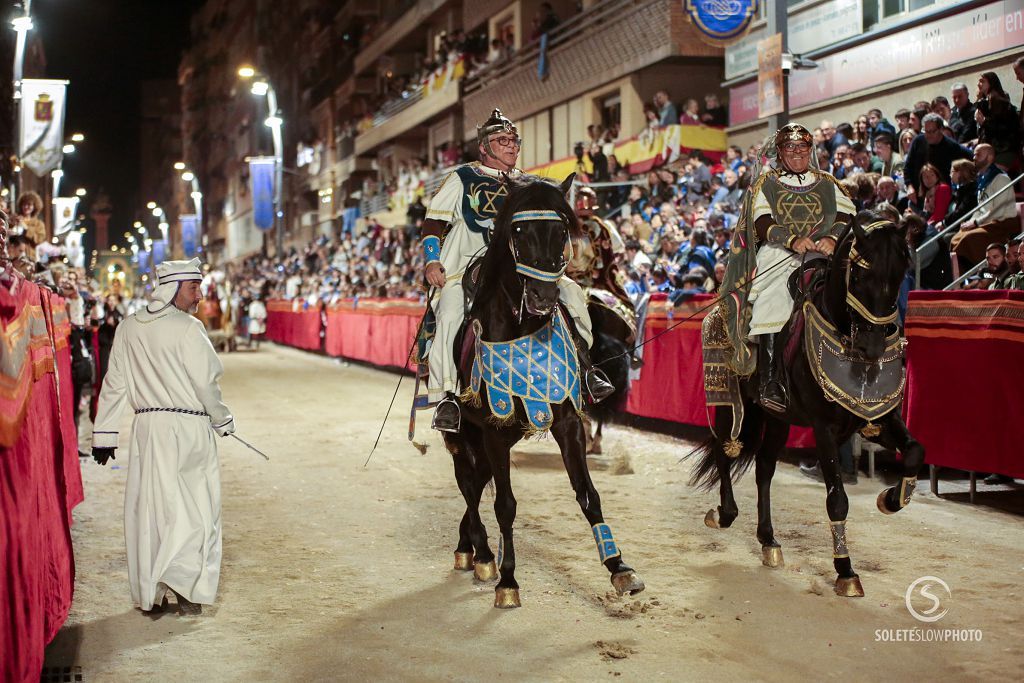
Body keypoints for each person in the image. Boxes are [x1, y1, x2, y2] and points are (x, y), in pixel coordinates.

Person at [420, 109, 612, 432]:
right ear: (484, 147)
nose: (511, 146)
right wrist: (431, 260)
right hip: (467, 264)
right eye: (502, 140)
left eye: (514, 141)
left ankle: (585, 368)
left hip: (520, 265)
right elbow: (433, 223)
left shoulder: (527, 183)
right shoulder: (461, 178)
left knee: (572, 292)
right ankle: (448, 397)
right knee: (451, 310)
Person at [91, 258, 235, 616]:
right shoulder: (189, 328)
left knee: (151, 509)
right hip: (188, 431)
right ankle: (186, 588)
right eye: (193, 288)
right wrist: (223, 419)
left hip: (147, 432)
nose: (199, 296)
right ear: (172, 289)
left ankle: (152, 591)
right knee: (194, 509)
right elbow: (206, 383)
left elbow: (114, 386)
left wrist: (103, 434)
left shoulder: (128, 327)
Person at [716, 123, 855, 412]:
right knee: (773, 300)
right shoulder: (766, 183)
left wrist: (831, 237)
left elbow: (847, 213)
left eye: (803, 147)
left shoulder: (828, 181)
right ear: (779, 151)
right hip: (780, 254)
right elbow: (762, 221)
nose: (797, 153)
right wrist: (791, 239)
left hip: (824, 253)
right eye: (790, 148)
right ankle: (771, 381)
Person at [951, 144, 1019, 266]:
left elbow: (998, 210)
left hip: (1001, 225)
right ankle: (962, 275)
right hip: (987, 223)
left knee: (967, 239)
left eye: (978, 154)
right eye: (974, 154)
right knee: (956, 237)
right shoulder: (983, 180)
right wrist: (970, 222)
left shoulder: (1001, 178)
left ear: (990, 157)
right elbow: (980, 208)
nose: (974, 157)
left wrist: (976, 223)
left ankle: (982, 273)